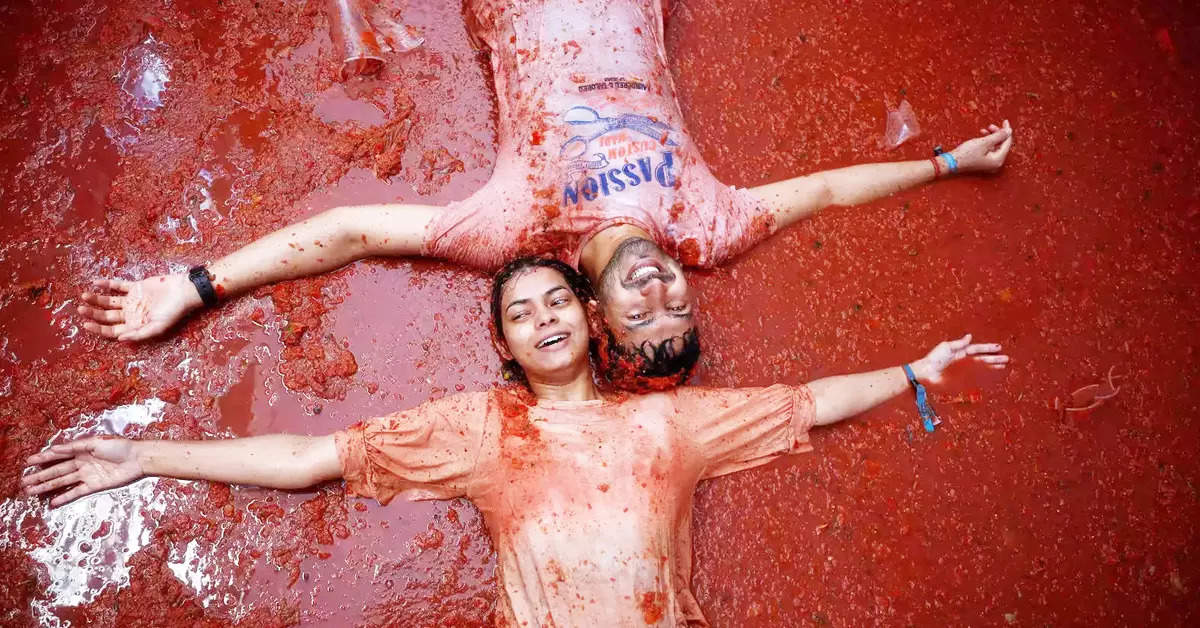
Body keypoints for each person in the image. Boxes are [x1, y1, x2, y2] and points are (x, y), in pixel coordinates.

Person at [31, 257, 1010, 626]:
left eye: (556, 303)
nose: (542, 319)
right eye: (519, 313)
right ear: (503, 343)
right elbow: (314, 458)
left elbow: (804, 400)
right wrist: (148, 455)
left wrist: (914, 371)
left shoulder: (668, 421)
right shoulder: (478, 426)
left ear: (588, 320)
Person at [76, 0, 1013, 385]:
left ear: (600, 320)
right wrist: (946, 164)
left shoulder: (515, 231)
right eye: (672, 304)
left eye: (641, 315)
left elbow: (353, 230)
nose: (658, 292)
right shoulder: (708, 225)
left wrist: (195, 286)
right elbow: (832, 191)